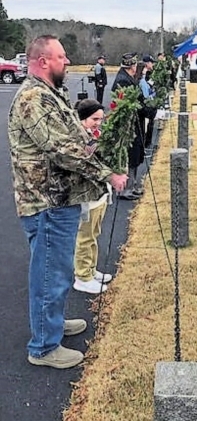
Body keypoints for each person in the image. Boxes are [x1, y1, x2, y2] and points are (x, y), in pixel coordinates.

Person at [8, 35, 127, 369]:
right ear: (43, 60)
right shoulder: (33, 98)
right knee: (49, 274)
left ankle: (53, 326)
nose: (67, 62)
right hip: (47, 203)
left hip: (60, 200)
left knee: (58, 270)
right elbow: (61, 149)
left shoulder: (50, 95)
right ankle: (44, 347)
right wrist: (107, 174)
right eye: (61, 57)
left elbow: (75, 138)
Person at [73, 99, 114, 294]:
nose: (98, 123)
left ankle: (91, 269)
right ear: (83, 118)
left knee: (94, 234)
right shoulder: (78, 137)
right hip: (86, 195)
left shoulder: (94, 134)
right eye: (94, 119)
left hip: (99, 194)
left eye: (100, 119)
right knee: (85, 236)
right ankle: (82, 276)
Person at [111, 53, 156, 200]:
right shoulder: (123, 81)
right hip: (128, 125)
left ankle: (132, 185)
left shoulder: (128, 78)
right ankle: (126, 189)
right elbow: (131, 104)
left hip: (135, 123)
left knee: (136, 154)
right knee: (130, 156)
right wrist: (148, 110)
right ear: (132, 66)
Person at [140, 55, 157, 151]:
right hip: (146, 102)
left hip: (150, 99)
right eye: (151, 62)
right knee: (146, 125)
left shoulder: (150, 73)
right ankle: (146, 143)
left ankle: (148, 142)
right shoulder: (144, 75)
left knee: (149, 124)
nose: (152, 64)